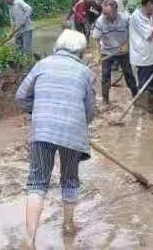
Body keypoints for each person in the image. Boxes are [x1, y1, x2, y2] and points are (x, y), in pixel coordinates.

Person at [15, 30, 95, 247]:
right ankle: (68, 225)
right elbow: (90, 111)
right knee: (70, 179)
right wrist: (79, 123)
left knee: (37, 181)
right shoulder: (85, 72)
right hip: (73, 131)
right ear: (80, 51)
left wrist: (38, 110)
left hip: (42, 130)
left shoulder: (41, 65)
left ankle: (29, 239)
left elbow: (21, 97)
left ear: (58, 46)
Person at [91, 0, 138, 103]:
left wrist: (127, 43)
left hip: (123, 51)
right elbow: (96, 40)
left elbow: (133, 32)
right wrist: (97, 55)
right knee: (105, 76)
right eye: (104, 13)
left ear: (116, 10)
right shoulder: (100, 21)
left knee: (129, 74)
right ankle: (105, 100)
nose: (106, 16)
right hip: (107, 51)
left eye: (108, 14)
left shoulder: (126, 18)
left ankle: (136, 97)